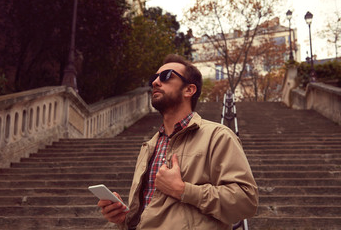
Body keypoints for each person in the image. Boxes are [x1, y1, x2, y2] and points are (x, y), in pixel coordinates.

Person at [98, 54, 258, 229]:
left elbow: (246, 202)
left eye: (166, 76)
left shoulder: (218, 136)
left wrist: (184, 191)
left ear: (189, 90)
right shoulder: (149, 146)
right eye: (155, 77)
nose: (155, 82)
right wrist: (124, 219)